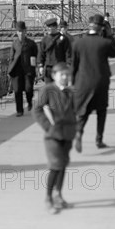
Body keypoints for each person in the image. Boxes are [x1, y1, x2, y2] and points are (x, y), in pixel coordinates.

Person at [72, 14, 115, 152]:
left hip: (82, 83)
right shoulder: (104, 43)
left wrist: (73, 84)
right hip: (100, 82)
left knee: (83, 111)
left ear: (89, 26)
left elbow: (73, 67)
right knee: (101, 110)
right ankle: (99, 139)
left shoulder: (78, 44)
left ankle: (79, 132)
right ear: (101, 28)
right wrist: (110, 35)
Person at [33, 62, 77, 214]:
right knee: (55, 165)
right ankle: (48, 198)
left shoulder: (71, 91)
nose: (65, 77)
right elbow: (37, 110)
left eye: (67, 74)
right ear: (54, 76)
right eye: (62, 74)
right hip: (53, 135)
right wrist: (48, 126)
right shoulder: (48, 89)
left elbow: (76, 110)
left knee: (63, 164)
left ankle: (58, 194)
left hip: (68, 133)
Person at [8, 21, 38, 117]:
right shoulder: (14, 44)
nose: (20, 33)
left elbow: (35, 56)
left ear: (25, 31)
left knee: (29, 88)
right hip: (16, 71)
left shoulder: (31, 43)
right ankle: (19, 110)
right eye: (18, 31)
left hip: (28, 70)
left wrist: (34, 68)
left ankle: (29, 101)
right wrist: (10, 69)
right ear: (17, 32)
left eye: (22, 31)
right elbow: (11, 58)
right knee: (17, 90)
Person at [38, 18, 72, 83]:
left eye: (51, 27)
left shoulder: (63, 39)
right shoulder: (45, 40)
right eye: (48, 27)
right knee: (49, 88)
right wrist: (41, 65)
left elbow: (68, 53)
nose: (49, 29)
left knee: (60, 87)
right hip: (48, 67)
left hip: (60, 66)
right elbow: (41, 53)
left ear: (55, 27)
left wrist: (68, 64)